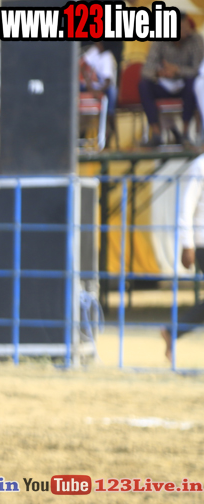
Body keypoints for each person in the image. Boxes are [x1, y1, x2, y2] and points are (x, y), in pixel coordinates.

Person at [140, 12, 203, 146]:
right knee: (144, 85)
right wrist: (159, 73)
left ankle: (185, 133)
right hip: (164, 84)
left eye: (187, 27)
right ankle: (156, 133)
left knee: (194, 83)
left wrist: (177, 70)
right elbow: (147, 69)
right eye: (182, 28)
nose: (186, 30)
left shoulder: (196, 39)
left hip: (185, 85)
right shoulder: (159, 40)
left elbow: (199, 69)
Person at [164, 149, 204, 358]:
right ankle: (173, 331)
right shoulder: (200, 166)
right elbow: (186, 207)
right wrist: (187, 244)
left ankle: (173, 331)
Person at [80, 40, 117, 142]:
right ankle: (80, 129)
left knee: (112, 92)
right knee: (76, 86)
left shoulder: (108, 56)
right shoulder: (94, 51)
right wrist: (89, 84)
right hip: (92, 86)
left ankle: (109, 120)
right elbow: (83, 65)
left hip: (104, 87)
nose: (97, 44)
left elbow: (107, 81)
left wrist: (97, 91)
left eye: (99, 43)